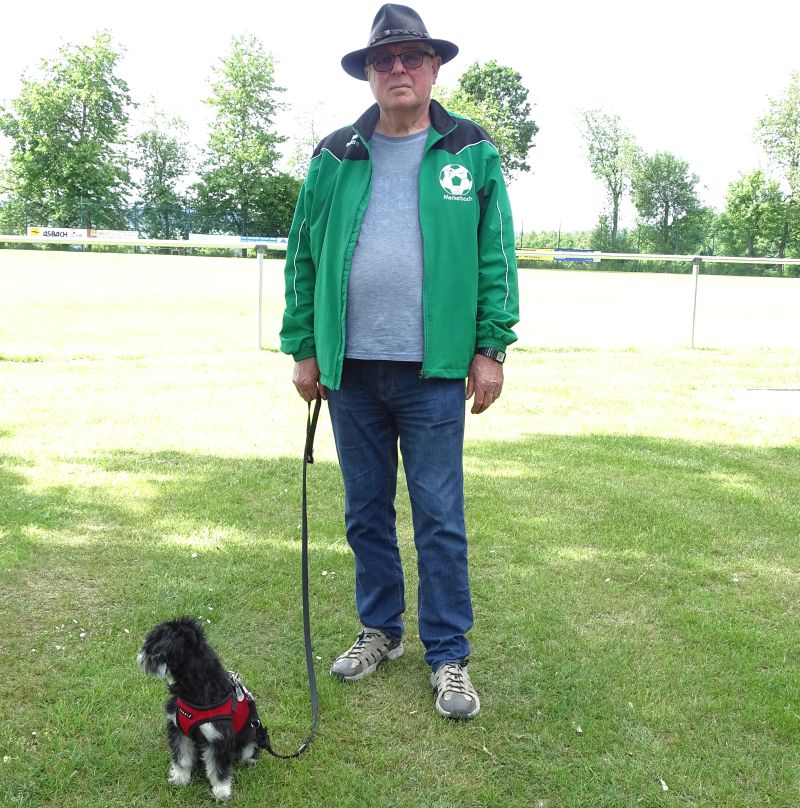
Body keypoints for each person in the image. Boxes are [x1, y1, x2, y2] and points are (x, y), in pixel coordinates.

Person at [279, 3, 519, 720]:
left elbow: (495, 255)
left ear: (435, 67)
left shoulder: (469, 149)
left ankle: (449, 655)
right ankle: (380, 630)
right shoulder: (334, 154)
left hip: (435, 371)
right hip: (349, 370)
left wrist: (490, 347)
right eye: (385, 60)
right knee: (364, 511)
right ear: (370, 73)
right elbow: (303, 254)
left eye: (412, 57)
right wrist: (304, 348)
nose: (399, 70)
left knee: (440, 515)